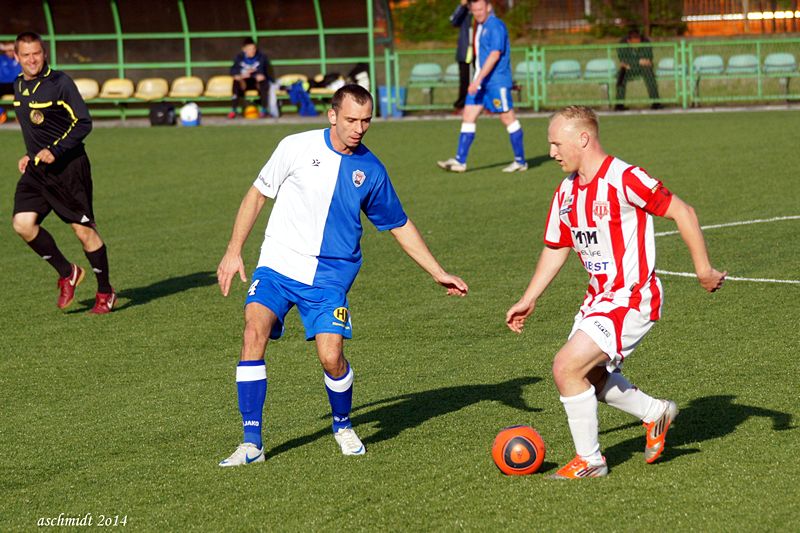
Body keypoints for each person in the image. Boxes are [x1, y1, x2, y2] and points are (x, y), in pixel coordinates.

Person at [216, 84, 469, 467]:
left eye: (366, 121)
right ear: (332, 115)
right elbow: (257, 195)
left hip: (330, 278)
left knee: (331, 357)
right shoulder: (295, 147)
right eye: (351, 119)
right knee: (254, 331)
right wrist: (233, 250)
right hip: (278, 265)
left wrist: (438, 272)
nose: (359, 128)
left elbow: (398, 224)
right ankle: (252, 443)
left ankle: (343, 424)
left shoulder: (371, 170)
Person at [505, 105, 725, 479]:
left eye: (557, 144)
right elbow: (557, 247)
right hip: (598, 299)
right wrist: (530, 298)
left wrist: (703, 269)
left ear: (583, 138)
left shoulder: (624, 178)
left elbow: (683, 212)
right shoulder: (566, 191)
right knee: (589, 376)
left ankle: (590, 461)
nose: (552, 152)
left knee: (566, 367)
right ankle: (655, 412)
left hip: (632, 296)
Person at [11, 32, 116, 314]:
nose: (32, 60)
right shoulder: (18, 85)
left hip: (68, 169)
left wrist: (55, 150)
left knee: (83, 232)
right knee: (22, 224)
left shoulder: (60, 83)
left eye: (36, 53)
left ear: (44, 53)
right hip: (38, 170)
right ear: (16, 57)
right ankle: (68, 272)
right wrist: (31, 153)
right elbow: (36, 128)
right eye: (25, 55)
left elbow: (83, 122)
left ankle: (105, 291)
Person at [437, 0, 526, 174]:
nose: (478, 13)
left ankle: (520, 161)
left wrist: (477, 80)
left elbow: (495, 55)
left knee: (507, 118)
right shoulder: (481, 26)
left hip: (495, 82)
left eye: (480, 9)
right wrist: (478, 80)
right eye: (475, 10)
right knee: (468, 116)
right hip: (481, 82)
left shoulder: (495, 26)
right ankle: (460, 161)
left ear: (488, 7)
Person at [228, 37, 278, 119]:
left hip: (256, 83)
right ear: (244, 49)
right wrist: (240, 76)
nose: (252, 51)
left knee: (263, 81)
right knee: (236, 82)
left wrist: (258, 75)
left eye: (254, 48)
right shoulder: (239, 57)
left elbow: (266, 72)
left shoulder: (261, 57)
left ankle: (264, 110)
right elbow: (233, 71)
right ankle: (234, 110)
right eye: (249, 49)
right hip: (244, 83)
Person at [615, 27, 662, 111]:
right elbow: (623, 61)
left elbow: (648, 59)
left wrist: (633, 62)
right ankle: (619, 104)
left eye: (638, 39)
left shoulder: (646, 42)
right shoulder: (622, 43)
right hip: (627, 69)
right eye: (634, 40)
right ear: (629, 40)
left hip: (643, 68)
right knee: (621, 76)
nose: (637, 42)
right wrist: (639, 61)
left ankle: (656, 103)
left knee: (650, 76)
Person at [449, 0, 473, 111]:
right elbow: (454, 21)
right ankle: (462, 105)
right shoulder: (464, 10)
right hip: (466, 51)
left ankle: (486, 104)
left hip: (481, 50)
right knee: (465, 79)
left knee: (483, 78)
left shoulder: (485, 7)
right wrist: (462, 6)